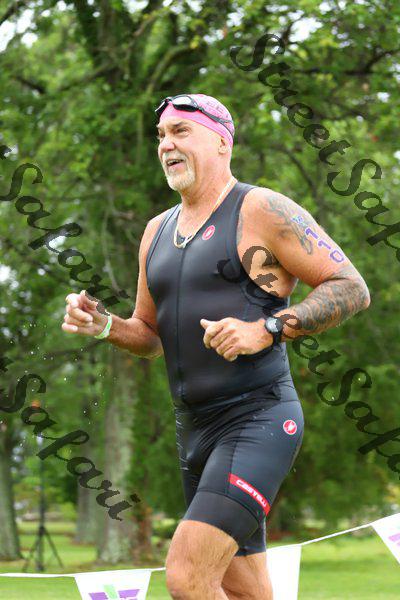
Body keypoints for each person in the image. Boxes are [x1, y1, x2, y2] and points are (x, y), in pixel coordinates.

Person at [62, 93, 370, 600]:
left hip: (257, 420)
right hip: (194, 434)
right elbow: (150, 336)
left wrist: (266, 329)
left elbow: (350, 287)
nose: (166, 145)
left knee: (187, 576)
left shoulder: (261, 209)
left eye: (180, 132)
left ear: (222, 142)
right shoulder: (156, 232)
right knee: (244, 592)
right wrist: (104, 326)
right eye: (161, 136)